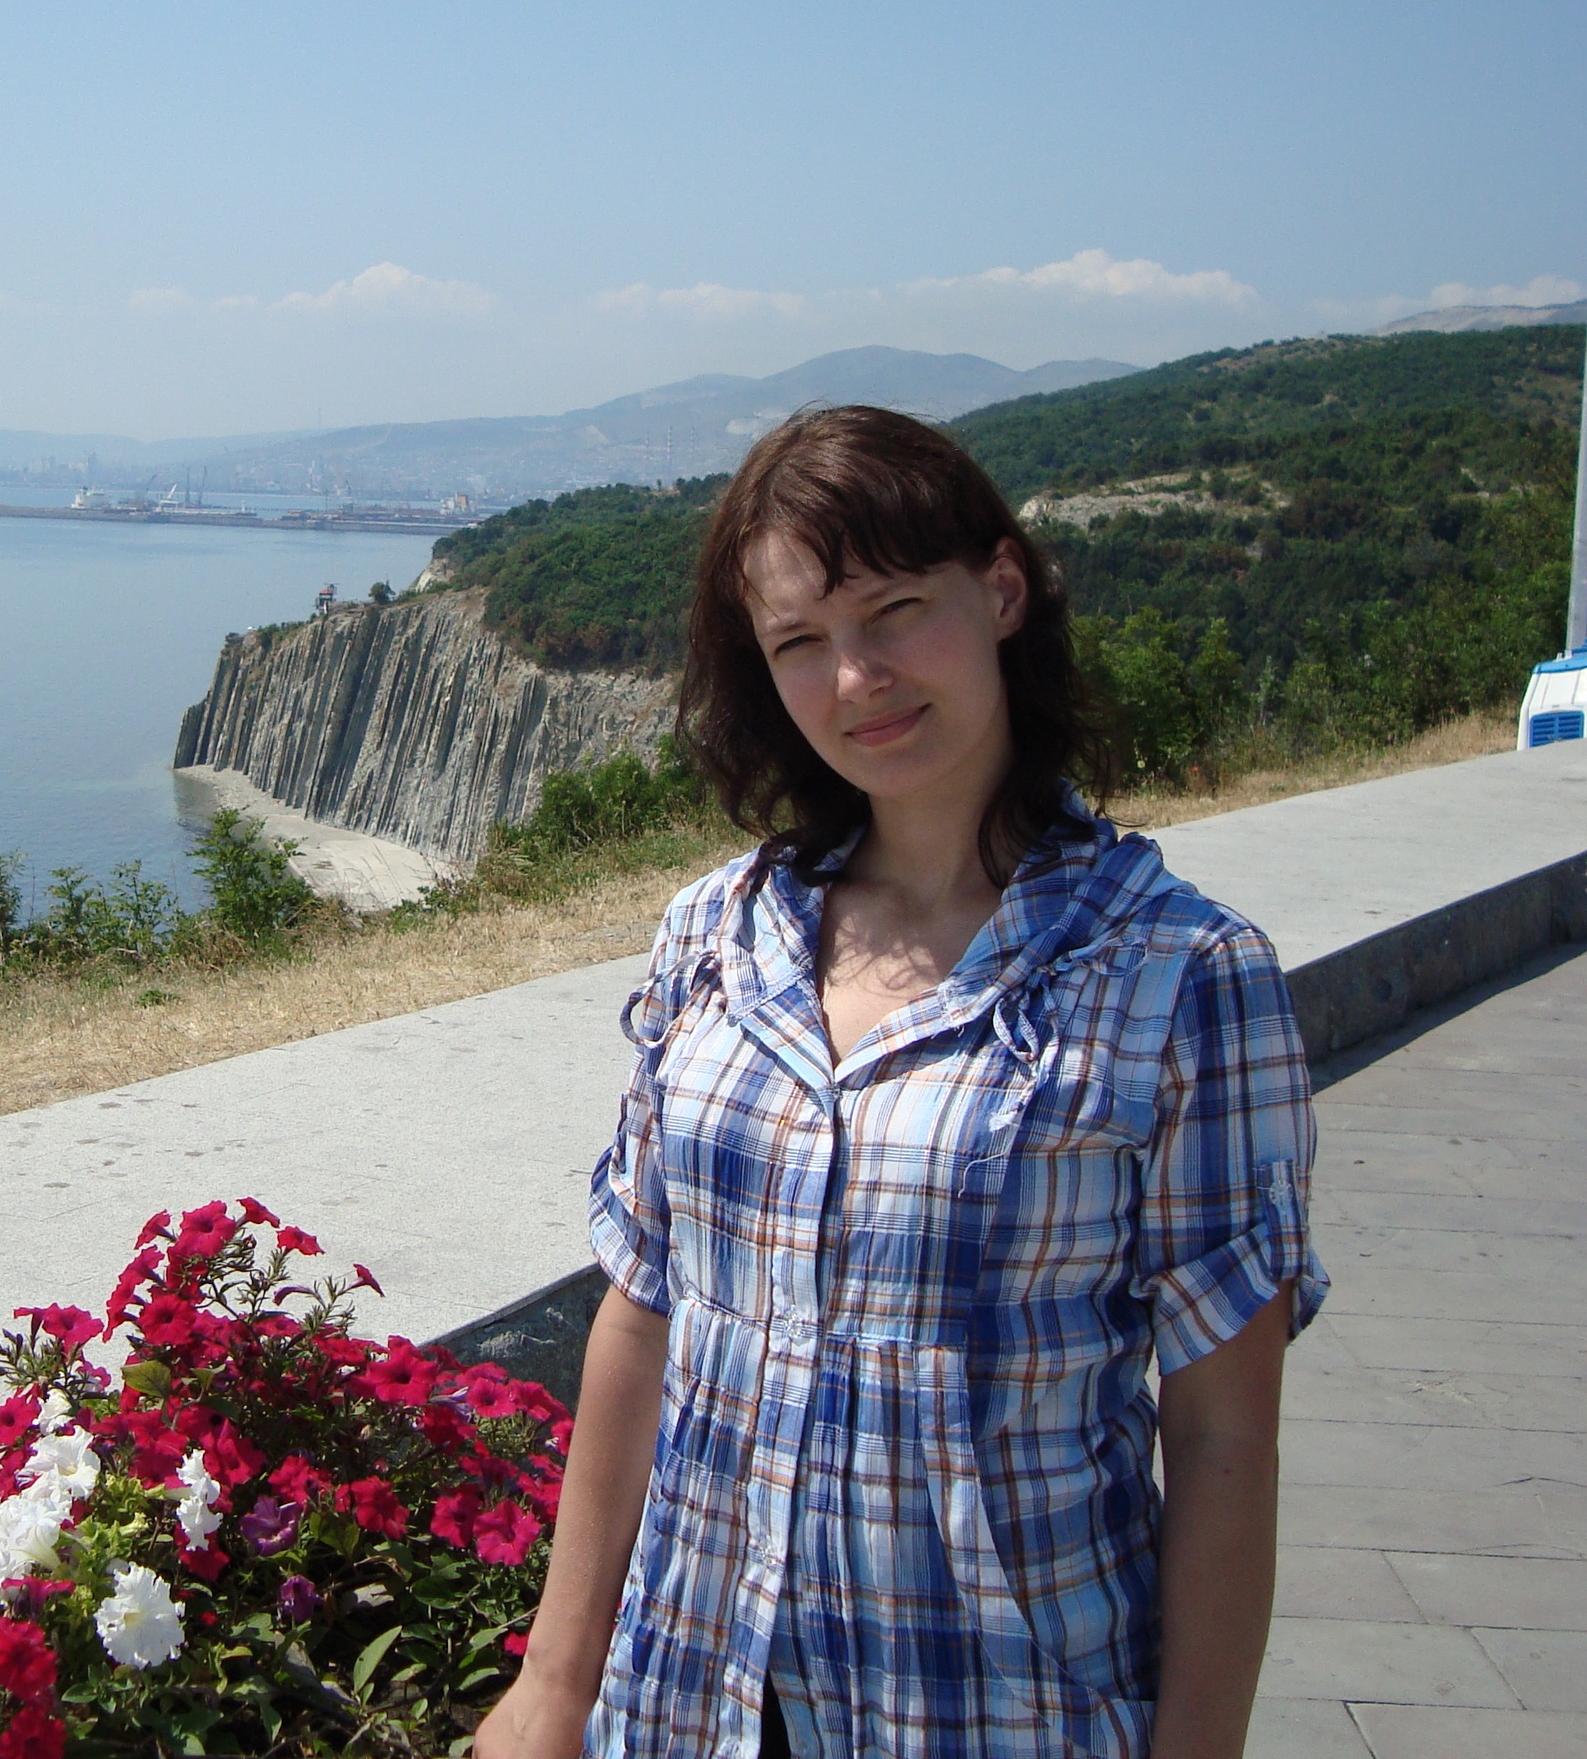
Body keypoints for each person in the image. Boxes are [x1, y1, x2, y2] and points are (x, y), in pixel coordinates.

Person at [476, 409, 1327, 1759]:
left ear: (1001, 591)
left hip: (998, 1716)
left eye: (893, 611)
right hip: (687, 1702)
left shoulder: (1179, 975)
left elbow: (1223, 1439)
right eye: (800, 642)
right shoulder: (716, 935)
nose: (857, 678)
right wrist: (554, 1684)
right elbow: (642, 1316)